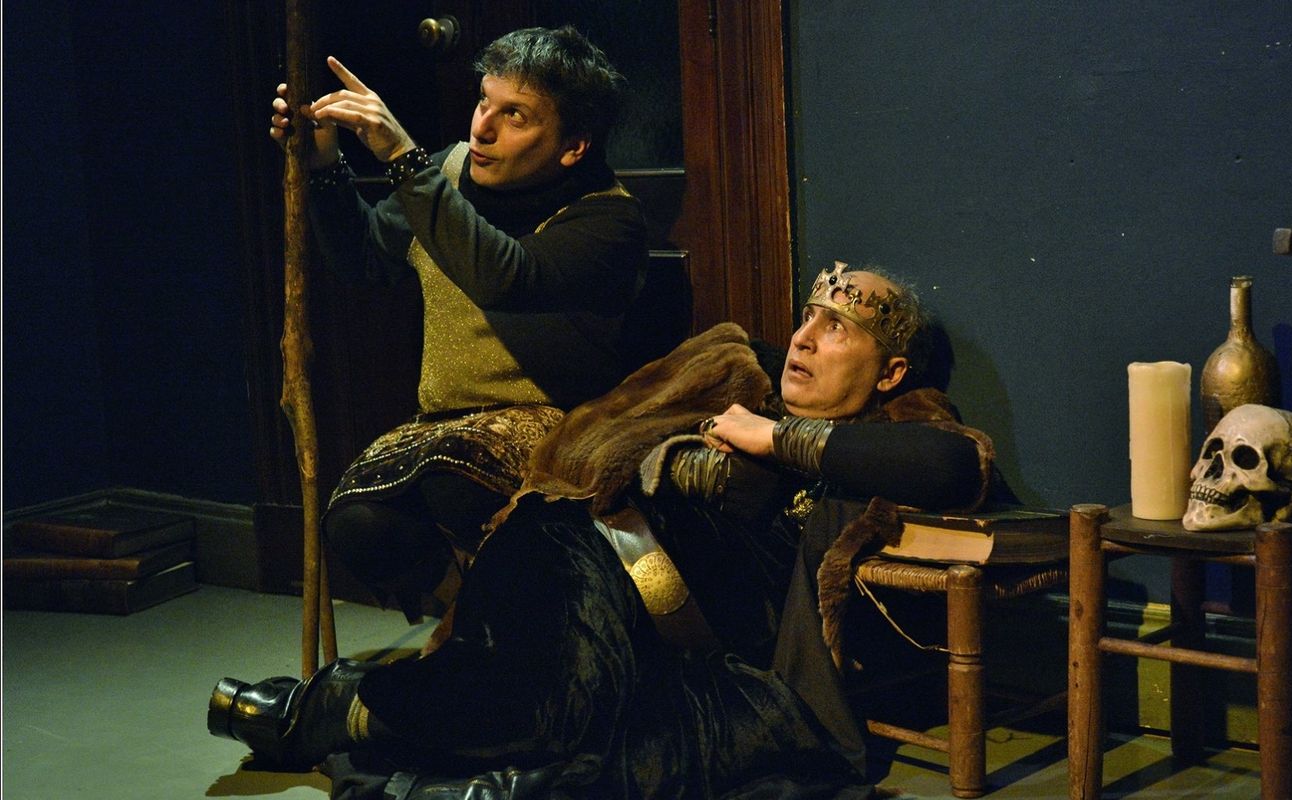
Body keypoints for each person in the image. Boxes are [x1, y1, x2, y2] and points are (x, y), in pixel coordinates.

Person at [209, 263, 1005, 799]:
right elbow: (592, 443)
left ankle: (359, 719)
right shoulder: (736, 369)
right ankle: (343, 714)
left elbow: (953, 465)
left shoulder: (898, 425)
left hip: (682, 638)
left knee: (645, 731)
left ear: (890, 371)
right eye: (808, 317)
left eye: (837, 329)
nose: (804, 338)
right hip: (575, 545)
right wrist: (682, 458)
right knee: (560, 685)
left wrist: (775, 441)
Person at [270, 26, 658, 621]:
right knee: (358, 523)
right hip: (445, 428)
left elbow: (505, 276)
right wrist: (324, 164)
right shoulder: (447, 173)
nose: (482, 128)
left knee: (454, 483)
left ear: (573, 146)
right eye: (483, 101)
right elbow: (367, 258)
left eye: (515, 115)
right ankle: (470, 619)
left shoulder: (608, 223)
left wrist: (403, 158)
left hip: (565, 426)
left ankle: (521, 628)